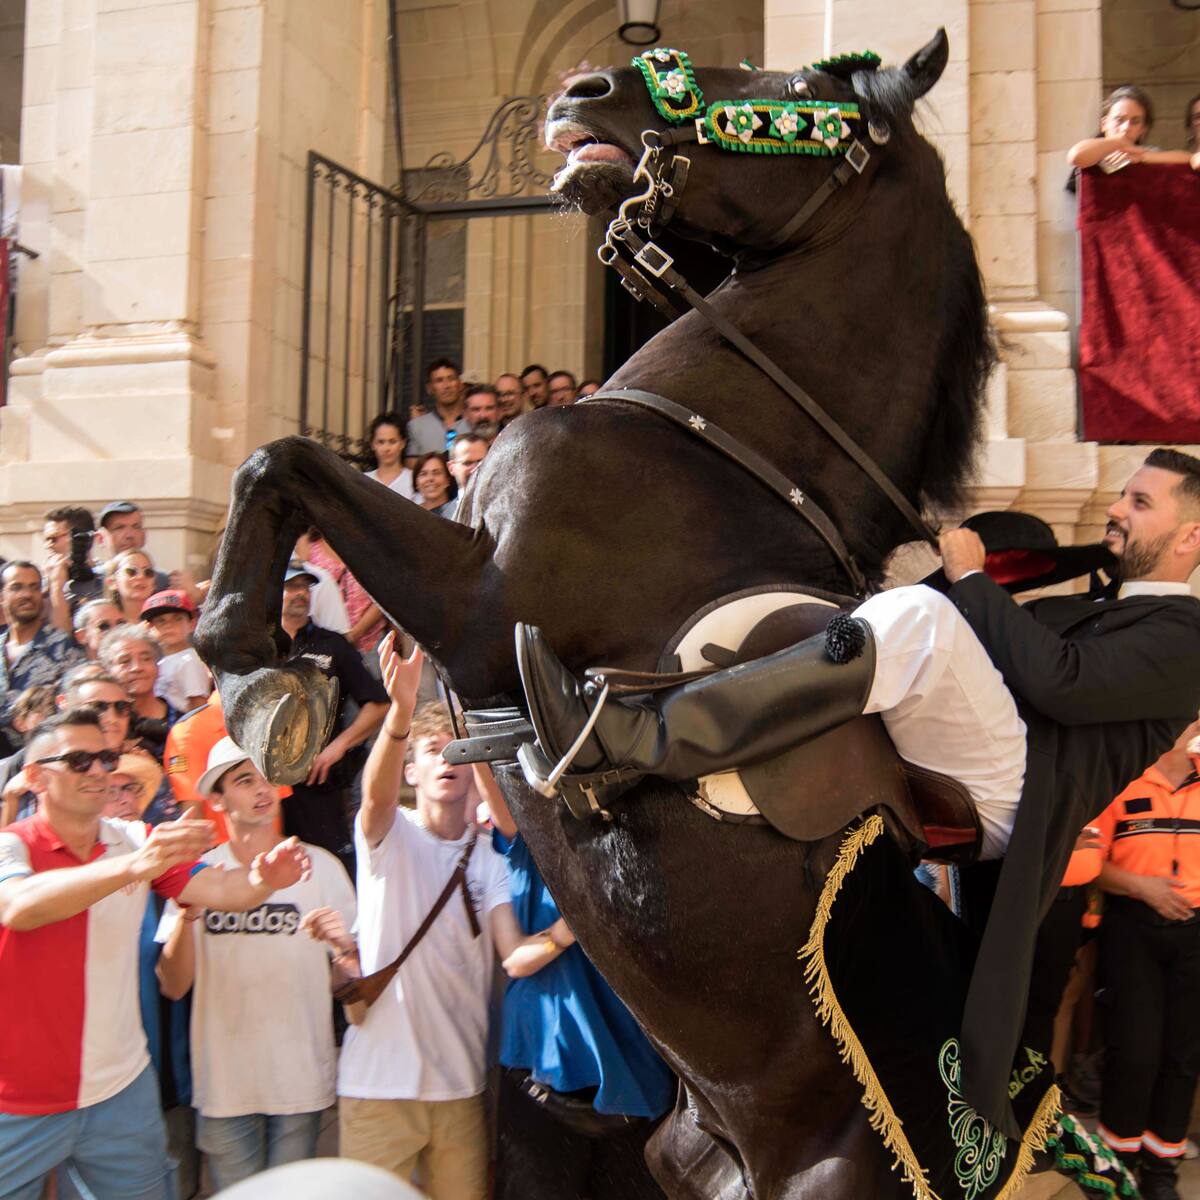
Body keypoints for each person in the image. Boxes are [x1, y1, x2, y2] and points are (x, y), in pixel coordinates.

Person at [518, 447, 1200, 1132]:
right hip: (1000, 760)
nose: (1117, 507)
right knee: (896, 614)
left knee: (923, 620)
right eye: (1124, 494)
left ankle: (637, 739)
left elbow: (1061, 680)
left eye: (1141, 502)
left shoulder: (1187, 640)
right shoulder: (1104, 603)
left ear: (1189, 537)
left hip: (1020, 795)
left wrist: (972, 579)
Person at [0, 707, 310, 1200]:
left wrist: (262, 880)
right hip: (16, 1100)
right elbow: (19, 907)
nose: (100, 771)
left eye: (106, 759)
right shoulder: (10, 846)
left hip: (122, 1089)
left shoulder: (135, 841)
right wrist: (133, 867)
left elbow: (220, 889)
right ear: (36, 777)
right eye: (80, 761)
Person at [312, 635, 519, 1199]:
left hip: (460, 1091)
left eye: (458, 752)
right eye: (432, 750)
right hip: (377, 1090)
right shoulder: (390, 836)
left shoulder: (492, 856)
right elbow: (375, 800)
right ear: (411, 771)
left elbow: (513, 952)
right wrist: (400, 713)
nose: (447, 760)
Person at [155, 738, 356, 1191]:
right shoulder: (198, 874)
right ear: (217, 799)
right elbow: (172, 984)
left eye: (267, 777)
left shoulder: (321, 867)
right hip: (224, 1085)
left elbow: (346, 980)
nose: (262, 789)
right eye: (245, 780)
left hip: (300, 1078)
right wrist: (187, 914)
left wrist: (344, 953)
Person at [474, 766, 674, 1200]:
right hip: (543, 1089)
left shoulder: (643, 853)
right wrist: (571, 928)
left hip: (637, 1095)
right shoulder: (531, 845)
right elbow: (495, 791)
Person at [1090, 719, 1200, 1199]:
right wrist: (1143, 887)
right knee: (1134, 1053)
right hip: (1132, 930)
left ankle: (1161, 1172)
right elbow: (1091, 863)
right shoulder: (1121, 778)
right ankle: (1117, 1168)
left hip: (1196, 934)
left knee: (1183, 1056)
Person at [278, 564, 387, 872]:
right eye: (291, 587)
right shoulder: (257, 647)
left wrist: (337, 747)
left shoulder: (333, 645)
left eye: (305, 587)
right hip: (267, 786)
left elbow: (378, 704)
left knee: (332, 868)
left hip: (318, 782)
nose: (300, 594)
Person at [0, 561, 85, 747]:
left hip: (40, 752)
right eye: (17, 587)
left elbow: (75, 709)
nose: (27, 594)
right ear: (2, 596)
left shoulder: (62, 647)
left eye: (34, 587)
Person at [1067, 85, 1200, 173]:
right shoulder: (1093, 152)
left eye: (1135, 122)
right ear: (1104, 123)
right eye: (1119, 120)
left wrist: (1142, 156)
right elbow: (1076, 156)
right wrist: (1118, 141)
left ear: (1143, 129)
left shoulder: (1148, 153)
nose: (1126, 127)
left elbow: (1188, 158)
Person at [306, 532, 385, 659]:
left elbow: (383, 595)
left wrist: (353, 635)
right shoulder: (308, 545)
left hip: (371, 642)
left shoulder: (370, 546)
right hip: (326, 647)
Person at [141, 590, 211, 714]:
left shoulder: (190, 661)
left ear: (192, 623)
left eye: (177, 619)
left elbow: (199, 707)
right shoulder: (159, 663)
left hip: (183, 722)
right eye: (161, 621)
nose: (169, 625)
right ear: (149, 628)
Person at [42, 506, 103, 629]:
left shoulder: (107, 577)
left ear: (80, 537)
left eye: (53, 538)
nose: (48, 546)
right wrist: (51, 586)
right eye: (46, 540)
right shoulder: (41, 585)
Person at [407, 359, 469, 464]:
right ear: (429, 388)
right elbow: (412, 467)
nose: (446, 386)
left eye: (451, 379)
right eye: (439, 380)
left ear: (460, 384)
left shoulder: (474, 423)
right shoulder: (416, 427)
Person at [364, 413, 415, 500]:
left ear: (403, 443)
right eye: (381, 442)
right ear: (372, 445)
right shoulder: (364, 481)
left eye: (392, 441)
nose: (386, 448)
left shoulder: (414, 481)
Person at [106, 549, 160, 626]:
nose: (141, 576)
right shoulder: (105, 624)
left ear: (154, 584)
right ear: (112, 582)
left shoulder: (166, 619)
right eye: (131, 571)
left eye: (148, 572)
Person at [445, 435, 489, 519]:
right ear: (451, 468)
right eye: (467, 463)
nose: (476, 468)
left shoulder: (506, 508)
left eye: (481, 461)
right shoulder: (438, 517)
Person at [412, 453, 457, 518]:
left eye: (436, 473)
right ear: (416, 483)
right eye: (423, 474)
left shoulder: (457, 513)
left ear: (447, 480)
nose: (430, 478)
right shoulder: (410, 514)